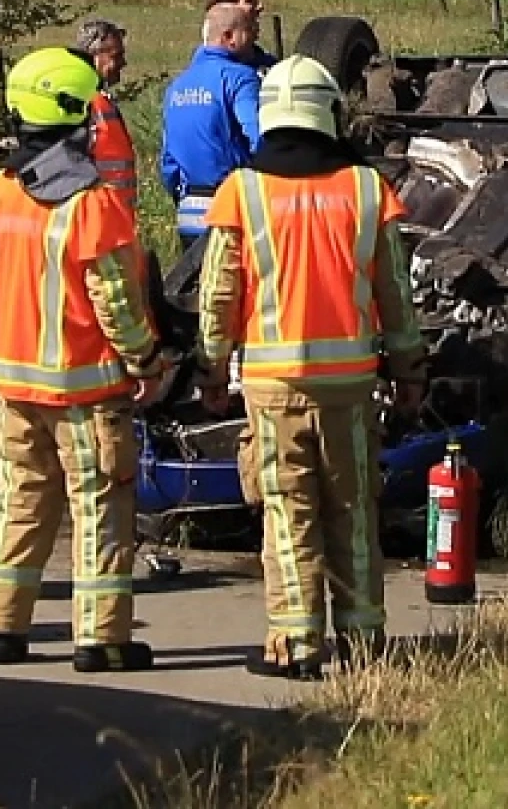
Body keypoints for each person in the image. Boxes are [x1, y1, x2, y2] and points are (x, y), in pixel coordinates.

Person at [194, 54, 427, 681]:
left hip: (273, 391)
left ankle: (296, 643)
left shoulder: (241, 193)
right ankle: (365, 642)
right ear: (328, 113)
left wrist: (212, 371)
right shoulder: (366, 189)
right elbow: (395, 294)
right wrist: (410, 371)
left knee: (287, 512)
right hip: (350, 387)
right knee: (352, 511)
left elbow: (220, 294)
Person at [0, 46, 173, 674]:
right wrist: (147, 361)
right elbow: (116, 301)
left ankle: (2, 626)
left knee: (20, 501)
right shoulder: (91, 205)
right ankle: (101, 638)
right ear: (76, 119)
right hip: (85, 393)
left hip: (14, 385)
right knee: (101, 511)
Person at [160, 2, 266, 246]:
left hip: (188, 209)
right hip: (230, 205)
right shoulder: (239, 77)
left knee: (193, 282)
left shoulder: (177, 86)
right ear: (229, 37)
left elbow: (168, 161)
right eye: (249, 30)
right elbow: (257, 135)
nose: (254, 38)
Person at [74, 17, 138, 208]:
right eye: (116, 56)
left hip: (115, 215)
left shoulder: (100, 102)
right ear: (93, 56)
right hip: (97, 214)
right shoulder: (81, 103)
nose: (123, 63)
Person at [203, 0, 276, 69]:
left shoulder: (267, 62)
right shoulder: (214, 71)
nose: (260, 6)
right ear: (226, 9)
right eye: (249, 1)